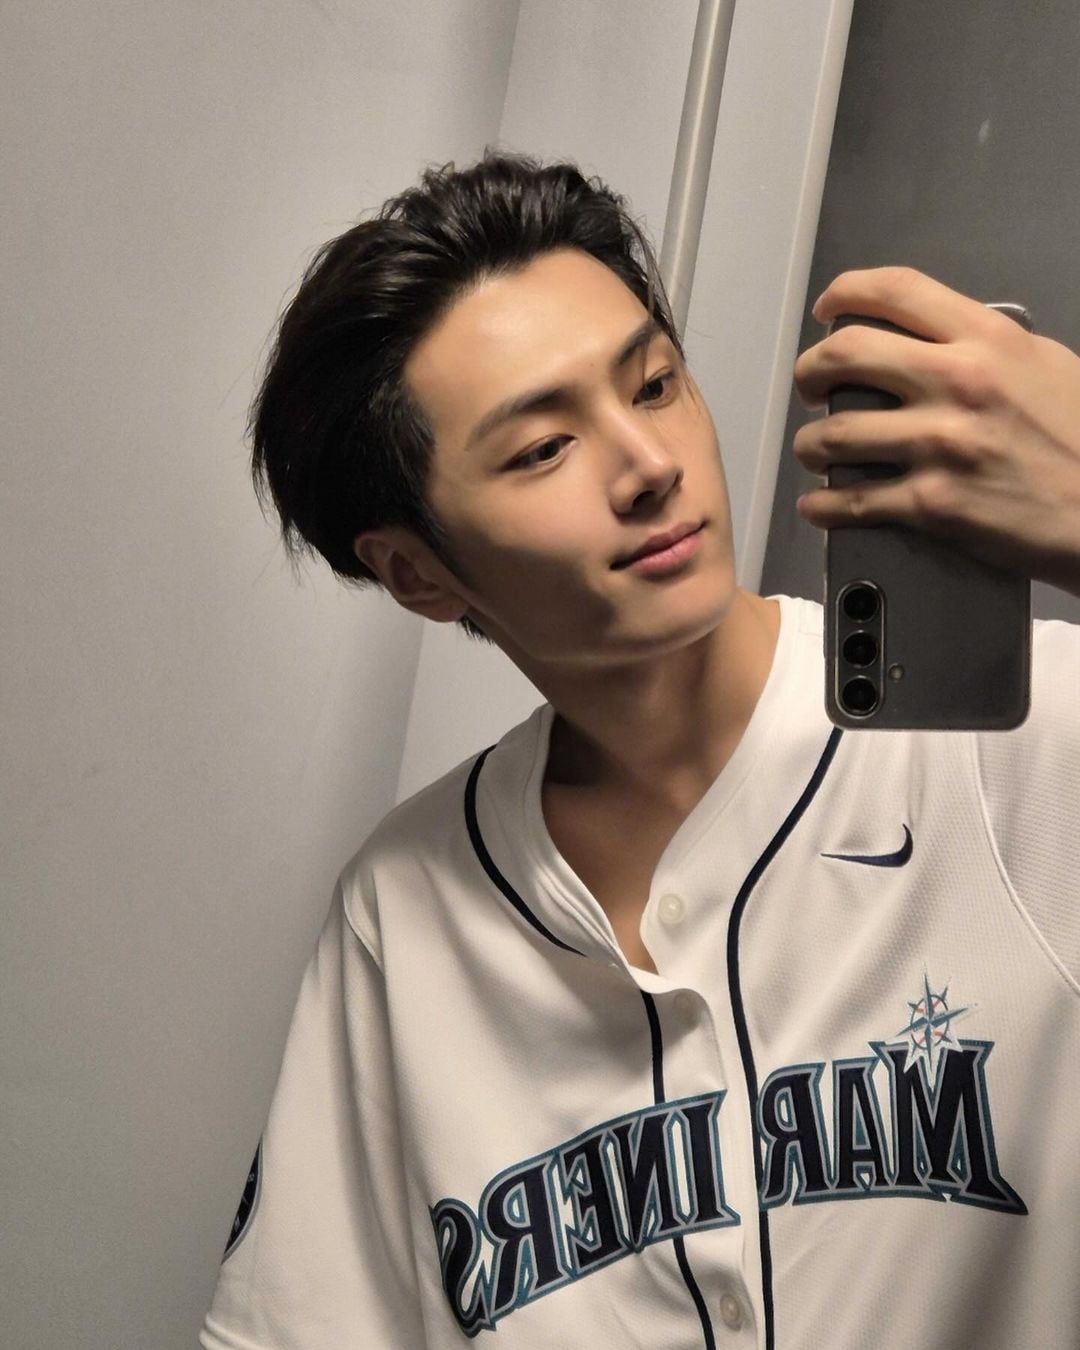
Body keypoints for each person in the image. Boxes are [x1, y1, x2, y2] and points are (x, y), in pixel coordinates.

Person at [200, 150, 1080, 1349]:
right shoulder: (403, 915)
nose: (649, 464)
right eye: (542, 448)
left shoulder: (1018, 741)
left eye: (655, 384)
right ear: (417, 572)